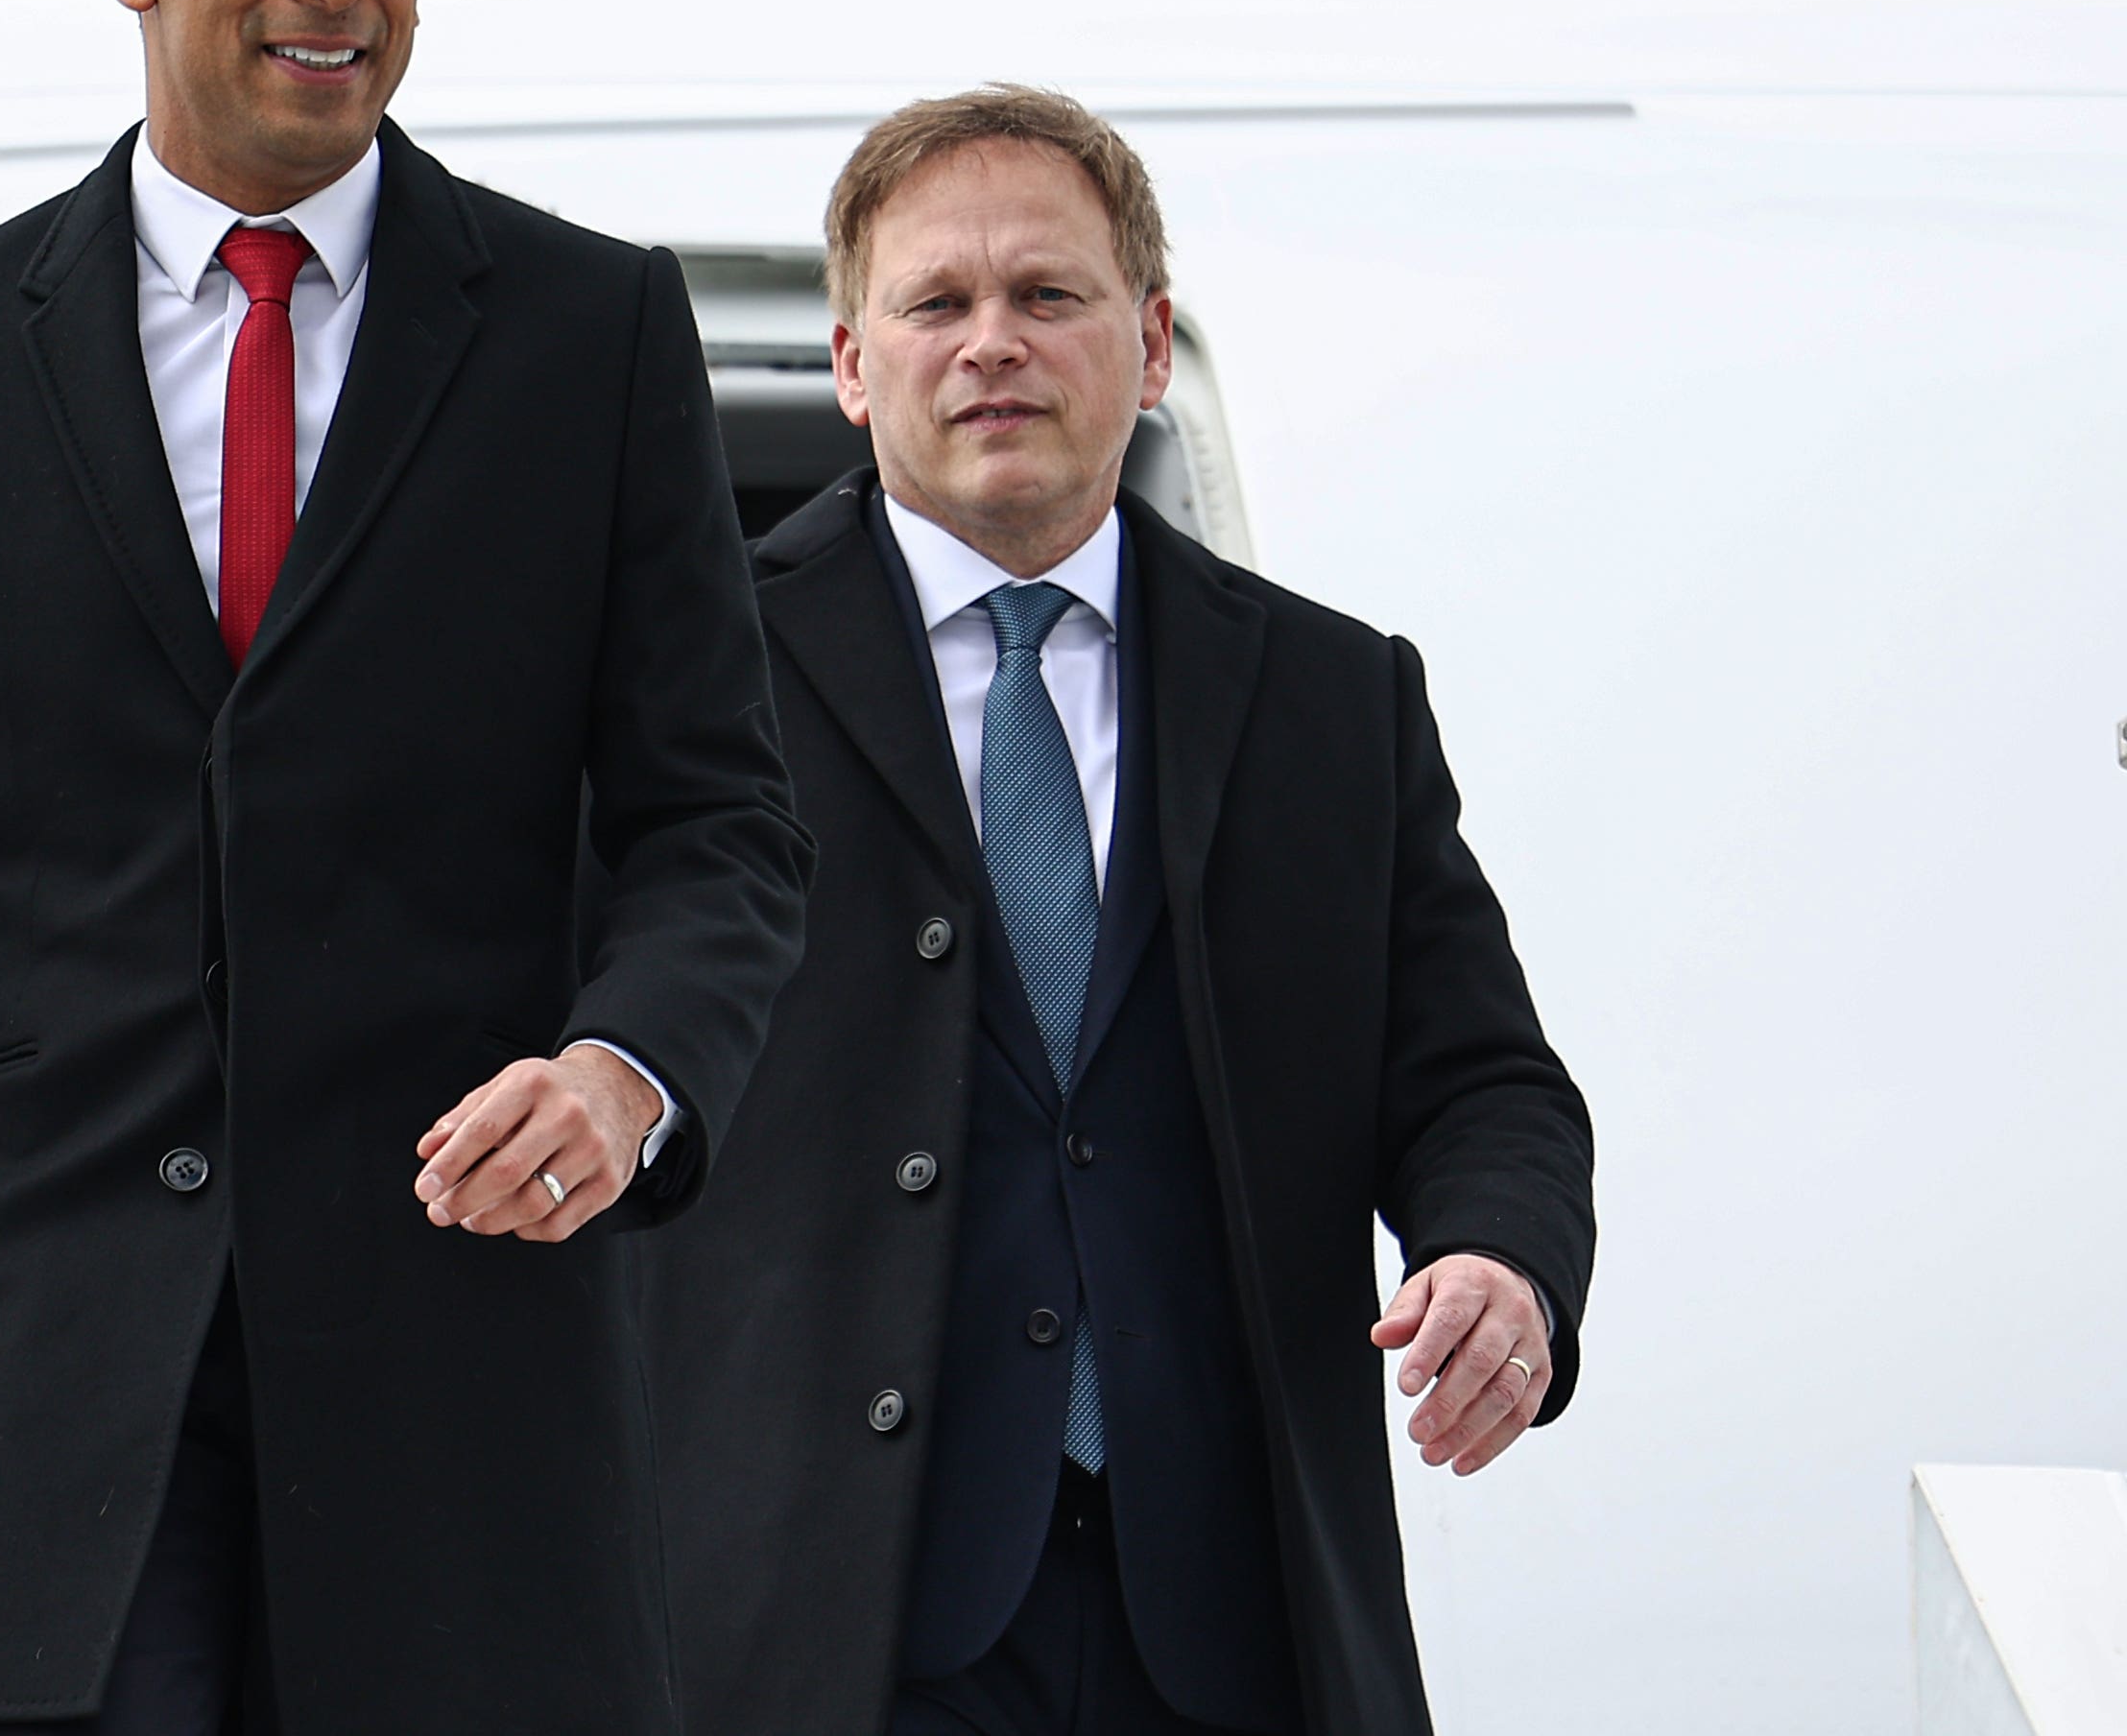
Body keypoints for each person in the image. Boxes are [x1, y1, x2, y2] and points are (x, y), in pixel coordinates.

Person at [0, 0, 810, 1736]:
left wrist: (624, 1065)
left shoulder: (590, 332)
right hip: (49, 1397)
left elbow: (722, 830)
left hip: (464, 1383)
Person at [636, 86, 1595, 1736]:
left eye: (1049, 296)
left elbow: (1480, 1079)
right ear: (855, 365)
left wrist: (1499, 1256)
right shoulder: (677, 684)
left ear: (1150, 344)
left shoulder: (1330, 697)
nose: (992, 343)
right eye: (937, 303)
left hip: (1235, 1632)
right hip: (819, 1627)